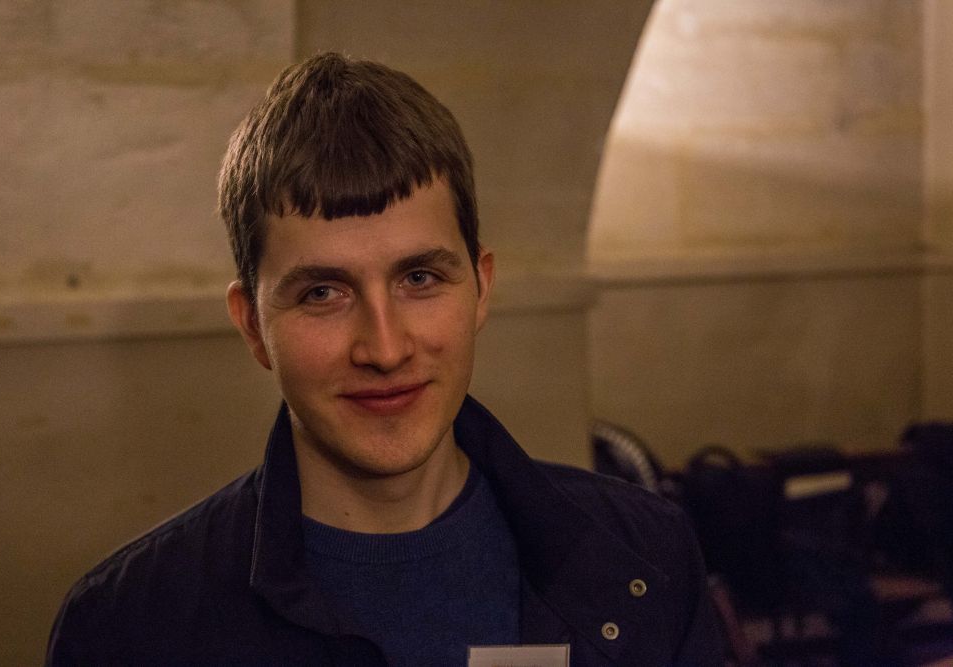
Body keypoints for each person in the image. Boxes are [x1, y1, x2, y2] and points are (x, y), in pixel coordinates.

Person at [46, 52, 723, 666]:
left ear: (481, 288)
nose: (386, 348)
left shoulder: (648, 556)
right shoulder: (128, 626)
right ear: (252, 325)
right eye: (322, 293)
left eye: (419, 279)